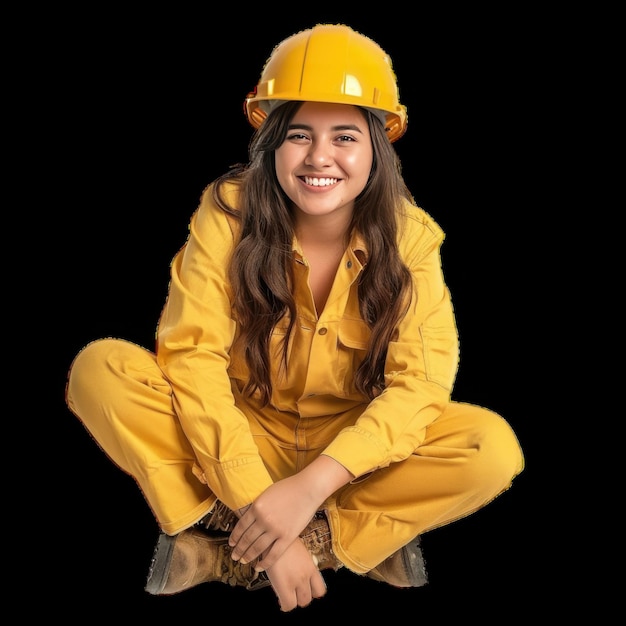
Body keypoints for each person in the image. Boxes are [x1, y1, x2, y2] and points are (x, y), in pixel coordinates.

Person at [65, 23, 525, 612]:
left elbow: (421, 387)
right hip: (239, 433)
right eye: (299, 134)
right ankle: (288, 541)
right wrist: (259, 496)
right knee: (102, 369)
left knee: (490, 449)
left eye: (345, 137)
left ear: (377, 149)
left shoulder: (411, 239)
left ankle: (252, 550)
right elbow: (193, 359)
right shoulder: (227, 213)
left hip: (349, 453)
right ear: (272, 140)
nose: (319, 158)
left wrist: (311, 488)